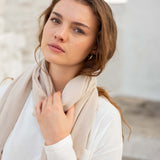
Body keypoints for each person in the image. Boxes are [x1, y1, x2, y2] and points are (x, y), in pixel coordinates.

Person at [0, 0, 129, 159]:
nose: (60, 34)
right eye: (55, 20)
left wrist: (58, 143)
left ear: (95, 45)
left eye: (78, 30)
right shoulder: (7, 94)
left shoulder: (105, 117)